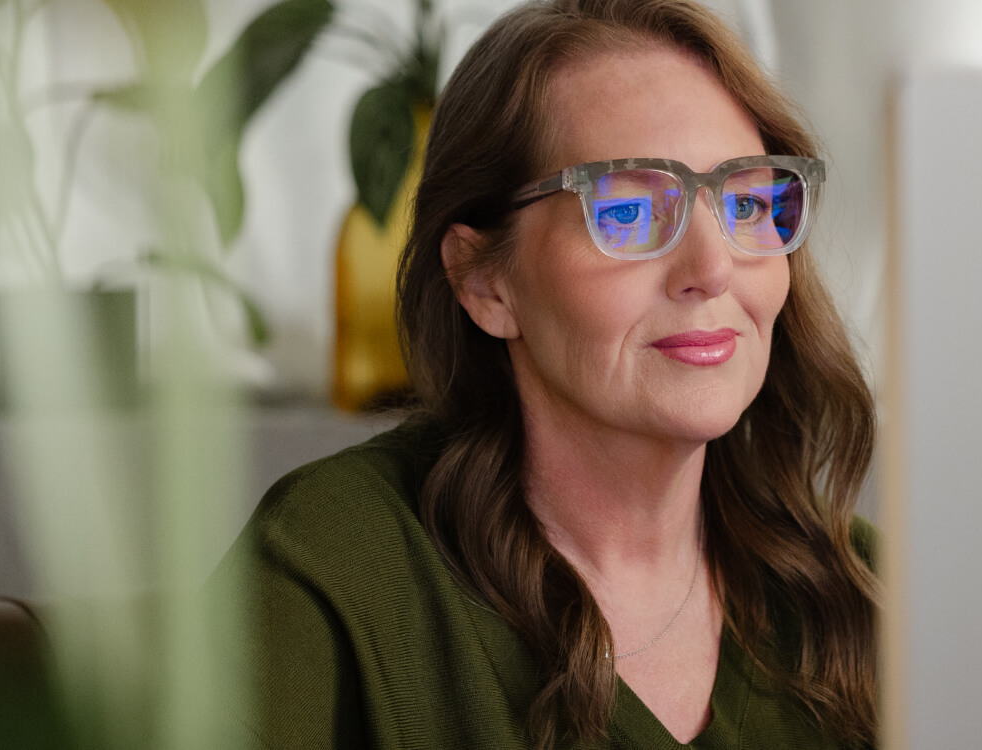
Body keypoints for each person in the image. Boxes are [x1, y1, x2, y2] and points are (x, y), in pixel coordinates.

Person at [217, 1, 879, 747]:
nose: (714, 268)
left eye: (749, 201)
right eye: (629, 213)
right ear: (484, 283)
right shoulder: (336, 565)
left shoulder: (865, 593)